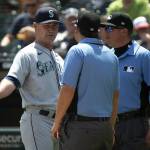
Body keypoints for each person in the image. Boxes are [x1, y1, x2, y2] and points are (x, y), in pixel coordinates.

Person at [51, 10, 120, 150]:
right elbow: (116, 96)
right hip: (104, 128)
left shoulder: (77, 51)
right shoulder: (112, 56)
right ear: (98, 30)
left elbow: (67, 90)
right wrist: (110, 127)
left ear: (77, 28)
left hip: (80, 129)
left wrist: (56, 122)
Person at [0, 6, 64, 150]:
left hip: (59, 122)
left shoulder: (59, 57)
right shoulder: (27, 54)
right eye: (46, 25)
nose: (51, 29)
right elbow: (10, 81)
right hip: (38, 119)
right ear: (35, 27)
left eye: (54, 25)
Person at [100, 12, 150, 150]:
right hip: (107, 124)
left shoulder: (143, 56)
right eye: (105, 28)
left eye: (110, 28)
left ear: (124, 31)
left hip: (134, 125)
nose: (105, 32)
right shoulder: (105, 56)